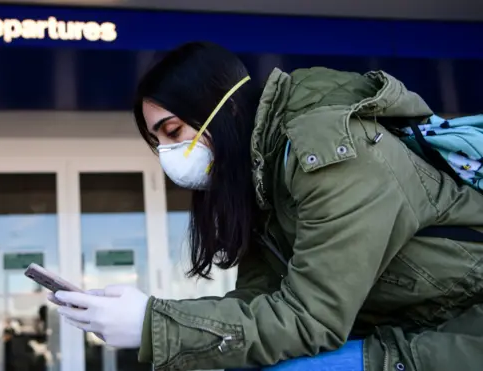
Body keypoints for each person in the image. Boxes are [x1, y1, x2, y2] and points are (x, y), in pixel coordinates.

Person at [52, 42, 483, 371]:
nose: (167, 153)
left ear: (221, 108)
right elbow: (259, 298)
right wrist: (150, 317)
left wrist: (152, 323)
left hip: (463, 330)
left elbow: (308, 319)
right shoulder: (261, 181)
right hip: (412, 328)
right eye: (157, 142)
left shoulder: (332, 157)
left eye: (173, 130)